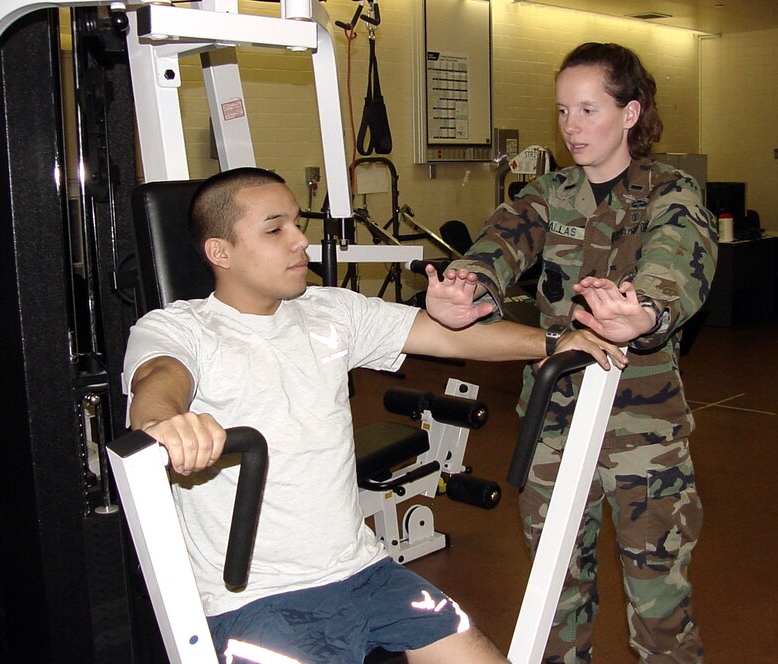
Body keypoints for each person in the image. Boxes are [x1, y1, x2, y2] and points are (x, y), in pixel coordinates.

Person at [123, 167, 627, 664]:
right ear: (220, 252)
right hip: (253, 599)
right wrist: (166, 423)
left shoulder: (331, 312)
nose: (300, 240)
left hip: (365, 571)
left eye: (298, 223)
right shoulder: (181, 328)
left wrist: (556, 340)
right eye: (275, 229)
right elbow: (158, 381)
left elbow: (444, 334)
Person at [425, 43, 717, 664]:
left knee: (659, 608)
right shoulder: (549, 193)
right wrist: (465, 287)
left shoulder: (670, 190)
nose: (572, 127)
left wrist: (645, 311)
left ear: (631, 113)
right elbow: (498, 244)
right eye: (562, 111)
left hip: (644, 431)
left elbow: (679, 258)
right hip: (554, 423)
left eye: (588, 110)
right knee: (556, 604)